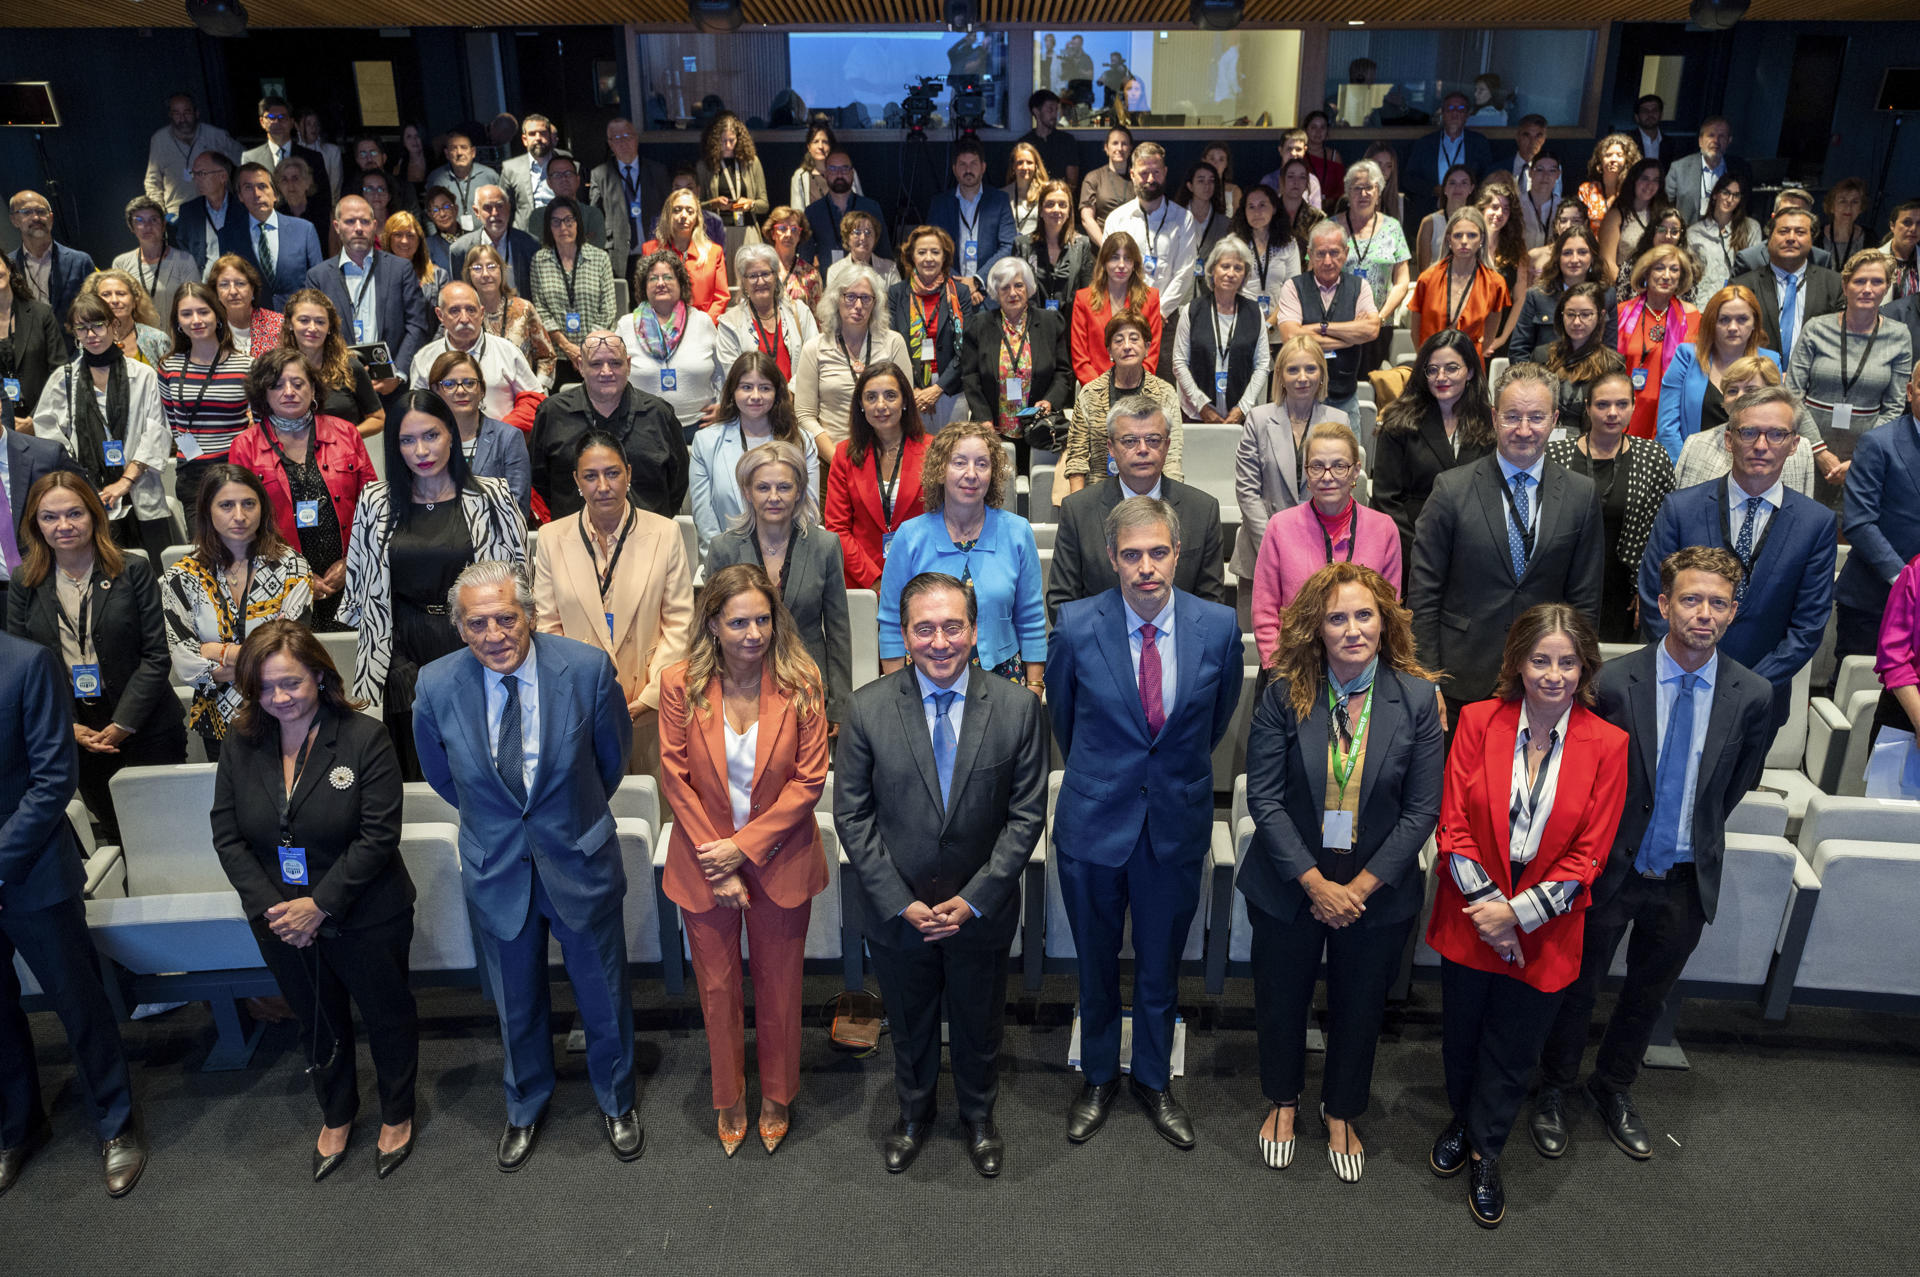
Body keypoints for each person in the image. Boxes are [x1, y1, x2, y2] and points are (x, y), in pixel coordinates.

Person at [1528, 546, 1771, 1165]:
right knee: (1578, 987)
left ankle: (1613, 1088)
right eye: (1690, 599)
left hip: (1685, 876)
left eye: (1718, 603)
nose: (1703, 613)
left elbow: (1734, 784)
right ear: (1663, 605)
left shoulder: (1752, 695)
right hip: (1610, 868)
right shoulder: (1611, 683)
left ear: (1733, 613)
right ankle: (1552, 1089)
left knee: (1646, 994)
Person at [413, 561, 642, 1170]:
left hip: (578, 855)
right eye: (478, 623)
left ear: (531, 617)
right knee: (515, 1001)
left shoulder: (586, 670)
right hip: (498, 865)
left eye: (506, 618)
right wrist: (503, 821)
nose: (494, 635)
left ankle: (617, 1099)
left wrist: (562, 816)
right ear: (460, 628)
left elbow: (611, 761)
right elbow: (444, 776)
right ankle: (524, 1105)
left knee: (603, 991)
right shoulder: (435, 687)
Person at [835, 570, 1047, 1176]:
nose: (940, 641)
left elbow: (1026, 814)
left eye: (953, 626)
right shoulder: (868, 708)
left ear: (975, 631)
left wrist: (976, 897)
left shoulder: (1015, 708)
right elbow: (852, 816)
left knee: (981, 1023)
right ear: (903, 634)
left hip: (981, 912)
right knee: (909, 1022)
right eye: (924, 628)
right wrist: (898, 900)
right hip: (899, 913)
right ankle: (913, 1113)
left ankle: (979, 1117)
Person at [1046, 494, 1240, 1151]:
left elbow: (1216, 721)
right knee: (1096, 963)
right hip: (1094, 823)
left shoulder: (1216, 626)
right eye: (1132, 555)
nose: (1146, 567)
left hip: (1174, 823)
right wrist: (1110, 778)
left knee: (1161, 965)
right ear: (1112, 559)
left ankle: (1154, 1079)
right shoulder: (1076, 625)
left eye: (1158, 552)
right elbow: (1065, 723)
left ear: (1178, 553)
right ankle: (1098, 1076)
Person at [1425, 603, 1627, 1227]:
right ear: (1516, 662)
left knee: (1514, 1050)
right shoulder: (1478, 721)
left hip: (1544, 934)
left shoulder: (1608, 744)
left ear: (1585, 668)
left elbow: (1591, 854)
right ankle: (1462, 1117)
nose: (1554, 674)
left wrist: (1517, 918)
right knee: (1461, 1039)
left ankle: (1487, 1148)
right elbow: (1453, 828)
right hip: (1471, 921)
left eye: (1568, 662)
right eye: (1541, 660)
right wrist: (1491, 914)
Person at [1241, 562, 1444, 1180]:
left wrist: (1355, 889)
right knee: (1282, 998)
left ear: (1385, 623)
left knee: (1359, 1006)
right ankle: (1282, 1099)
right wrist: (1314, 883)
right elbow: (1264, 798)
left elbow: (1422, 810)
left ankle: (1342, 1108)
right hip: (1289, 879)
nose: (1353, 629)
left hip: (1374, 890)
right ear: (1316, 628)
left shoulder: (1416, 698)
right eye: (1337, 618)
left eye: (1364, 615)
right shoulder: (1284, 689)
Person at [205, 618, 416, 1180]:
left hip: (365, 911)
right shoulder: (241, 741)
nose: (279, 698)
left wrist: (318, 905)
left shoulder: (364, 736)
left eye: (291, 684)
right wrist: (278, 910)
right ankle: (338, 1111)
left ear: (320, 677)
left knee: (386, 1013)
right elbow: (226, 834)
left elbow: (378, 836)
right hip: (280, 920)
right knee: (316, 1020)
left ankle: (397, 1111)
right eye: (266, 688)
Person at [657, 561, 827, 1156]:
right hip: (704, 862)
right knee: (719, 987)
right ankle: (729, 1097)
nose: (754, 634)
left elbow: (808, 783)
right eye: (739, 622)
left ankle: (777, 1095)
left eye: (763, 620)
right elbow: (674, 778)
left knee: (780, 987)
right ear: (712, 625)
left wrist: (743, 849)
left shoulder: (803, 682)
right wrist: (720, 861)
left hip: (781, 861)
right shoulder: (680, 683)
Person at [0, 627, 147, 1199]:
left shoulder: (27, 664)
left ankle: (116, 1124)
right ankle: (18, 1127)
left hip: (33, 869)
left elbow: (52, 781)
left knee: (77, 1004)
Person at [341, 392, 526, 774]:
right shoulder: (375, 501)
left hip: (475, 639)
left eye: (431, 435)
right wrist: (388, 658)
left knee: (483, 763)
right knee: (416, 766)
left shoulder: (493, 496)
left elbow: (520, 585)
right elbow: (361, 593)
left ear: (451, 436)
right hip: (400, 649)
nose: (421, 450)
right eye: (407, 440)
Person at [1409, 363, 1606, 715]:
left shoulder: (1581, 494)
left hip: (1547, 682)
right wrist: (1428, 679)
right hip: (1460, 680)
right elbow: (1424, 595)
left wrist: (1578, 677)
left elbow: (1585, 602)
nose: (1525, 430)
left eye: (1537, 417)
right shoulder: (1451, 490)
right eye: (1513, 417)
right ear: (1495, 417)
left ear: (1555, 419)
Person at [1638, 386, 1835, 732]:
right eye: (1749, 432)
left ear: (1794, 445)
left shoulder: (1816, 524)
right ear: (1729, 440)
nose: (1761, 445)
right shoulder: (1680, 509)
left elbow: (1808, 627)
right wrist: (1689, 672)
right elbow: (1656, 600)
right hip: (1675, 688)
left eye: (1776, 434)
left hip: (1760, 701)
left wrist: (1747, 688)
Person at [6, 472, 187, 842]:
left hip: (145, 723)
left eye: (75, 513)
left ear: (94, 515)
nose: (64, 525)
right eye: (50, 517)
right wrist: (68, 726)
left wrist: (124, 722)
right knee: (117, 833)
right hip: (75, 729)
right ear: (35, 524)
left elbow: (156, 655)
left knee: (169, 833)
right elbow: (21, 671)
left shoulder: (132, 569)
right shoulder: (24, 581)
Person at [530, 430, 693, 778]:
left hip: (651, 703)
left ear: (629, 474)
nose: (602, 485)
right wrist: (582, 692)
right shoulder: (550, 538)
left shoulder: (665, 533)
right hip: (581, 707)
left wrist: (651, 696)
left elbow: (680, 624)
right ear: (576, 480)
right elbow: (547, 626)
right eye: (590, 476)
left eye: (612, 473)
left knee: (655, 809)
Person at [877, 422, 1045, 691]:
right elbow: (890, 621)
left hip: (1002, 678)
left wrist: (1035, 685)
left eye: (982, 464)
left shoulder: (1017, 532)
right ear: (940, 471)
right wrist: (897, 691)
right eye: (959, 463)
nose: (971, 474)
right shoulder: (910, 536)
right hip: (926, 677)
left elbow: (1031, 617)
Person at [706, 441, 850, 725]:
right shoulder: (723, 549)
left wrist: (839, 705)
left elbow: (838, 632)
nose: (774, 497)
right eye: (763, 488)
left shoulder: (825, 546)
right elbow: (709, 630)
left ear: (799, 491)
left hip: (807, 687)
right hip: (739, 689)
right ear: (747, 492)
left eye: (784, 487)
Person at [227, 348, 371, 631]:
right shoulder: (244, 446)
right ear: (263, 393)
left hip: (350, 577)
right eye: (277, 385)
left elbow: (373, 508)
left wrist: (351, 562)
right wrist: (297, 575)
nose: (289, 391)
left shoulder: (346, 433)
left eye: (298, 383)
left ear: (314, 388)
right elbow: (240, 526)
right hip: (278, 582)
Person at [1049, 396, 1224, 623]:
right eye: (1130, 441)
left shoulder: (1202, 510)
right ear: (1111, 447)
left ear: (1167, 445)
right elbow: (1062, 602)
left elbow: (1211, 603)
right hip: (1101, 648)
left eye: (1153, 440)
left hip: (1180, 647)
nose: (1142, 450)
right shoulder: (1078, 511)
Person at [31, 294, 176, 564]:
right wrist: (81, 480)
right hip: (88, 495)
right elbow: (49, 436)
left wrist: (124, 482)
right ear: (74, 333)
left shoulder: (143, 375)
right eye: (82, 328)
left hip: (138, 490)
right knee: (102, 578)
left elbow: (157, 430)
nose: (91, 334)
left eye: (98, 325)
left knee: (155, 575)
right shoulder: (63, 379)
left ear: (114, 326)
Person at [1251, 420, 1401, 665]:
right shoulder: (1280, 527)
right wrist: (1281, 673)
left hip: (1362, 670)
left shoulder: (1384, 529)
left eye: (1339, 466)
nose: (1327, 476)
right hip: (1293, 667)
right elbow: (1265, 615)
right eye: (1317, 466)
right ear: (1306, 471)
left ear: (1355, 471)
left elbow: (1389, 613)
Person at [1544, 369, 1674, 641]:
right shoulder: (1555, 454)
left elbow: (1665, 532)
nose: (1612, 413)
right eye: (1602, 404)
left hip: (1624, 587)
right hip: (1562, 583)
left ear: (1634, 406)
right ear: (1588, 408)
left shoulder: (1653, 457)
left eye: (1622, 404)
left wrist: (1651, 588)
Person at [1230, 334, 1350, 619]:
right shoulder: (1258, 420)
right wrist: (1276, 547)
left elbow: (1341, 490)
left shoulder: (1338, 421)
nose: (1302, 377)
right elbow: (1247, 492)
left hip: (1321, 558)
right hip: (1259, 556)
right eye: (1293, 369)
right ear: (1280, 376)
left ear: (1322, 374)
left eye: (1311, 368)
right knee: (1259, 652)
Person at [1786, 248, 1914, 510]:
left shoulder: (1899, 335)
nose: (1867, 289)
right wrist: (1819, 452)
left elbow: (1894, 407)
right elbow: (1792, 394)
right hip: (1805, 447)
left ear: (1886, 287)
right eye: (1859, 281)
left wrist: (1861, 458)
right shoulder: (1817, 328)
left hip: (1866, 456)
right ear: (1845, 286)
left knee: (1852, 531)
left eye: (1876, 282)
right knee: (1801, 521)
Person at [529, 330, 688, 521]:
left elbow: (678, 483)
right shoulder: (552, 414)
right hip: (575, 541)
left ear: (628, 365)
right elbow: (540, 480)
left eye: (615, 363)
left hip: (648, 540)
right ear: (580, 365)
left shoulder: (659, 414)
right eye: (596, 364)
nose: (606, 372)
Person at [1372, 329, 1498, 566]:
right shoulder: (1398, 421)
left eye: (1452, 368)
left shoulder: (1490, 423)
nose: (1441, 377)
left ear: (1470, 371)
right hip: (1413, 548)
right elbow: (1385, 498)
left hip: (1475, 550)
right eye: (1432, 369)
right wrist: (1418, 549)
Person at [304, 196, 432, 406]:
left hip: (392, 386)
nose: (358, 228)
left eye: (364, 222)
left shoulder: (400, 270)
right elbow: (313, 332)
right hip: (338, 386)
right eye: (350, 221)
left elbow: (416, 325)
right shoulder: (318, 276)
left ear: (375, 226)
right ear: (337, 227)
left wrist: (397, 373)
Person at [690, 352, 819, 559]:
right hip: (729, 562)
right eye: (746, 387)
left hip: (791, 559)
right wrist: (721, 562)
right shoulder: (706, 442)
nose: (756, 396)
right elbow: (705, 519)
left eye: (765, 388)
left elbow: (809, 512)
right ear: (732, 391)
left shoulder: (802, 441)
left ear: (777, 392)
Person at [1837, 366, 1920, 657]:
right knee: (1858, 694)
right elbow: (1860, 523)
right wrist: (1908, 583)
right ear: (1910, 392)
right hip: (1875, 600)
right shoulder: (1879, 443)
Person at [1058, 311, 1184, 501]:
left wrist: (1169, 505)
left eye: (1134, 339)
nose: (1127, 346)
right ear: (1109, 351)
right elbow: (1077, 458)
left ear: (1147, 347)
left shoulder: (1164, 393)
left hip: (1151, 495)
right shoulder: (1090, 394)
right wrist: (1080, 510)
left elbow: (1172, 457)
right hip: (1099, 494)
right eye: (1118, 341)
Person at [824, 363, 930, 590]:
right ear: (861, 405)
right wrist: (875, 581)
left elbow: (943, 521)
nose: (881, 405)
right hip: (863, 581)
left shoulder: (933, 450)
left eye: (890, 396)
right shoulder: (844, 455)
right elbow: (837, 529)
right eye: (871, 397)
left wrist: (918, 579)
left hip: (923, 576)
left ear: (905, 402)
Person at [960, 257, 1072, 463]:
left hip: (1039, 425)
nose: (1012, 293)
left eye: (1018, 285)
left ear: (1028, 287)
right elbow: (971, 376)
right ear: (995, 292)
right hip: (992, 428)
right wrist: (984, 418)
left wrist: (1050, 401)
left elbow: (1063, 373)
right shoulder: (978, 325)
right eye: (1005, 287)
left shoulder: (1050, 322)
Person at [792, 263, 910, 459]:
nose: (858, 306)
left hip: (886, 459)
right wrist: (838, 461)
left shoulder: (894, 343)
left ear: (875, 303)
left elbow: (905, 404)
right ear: (836, 299)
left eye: (866, 298)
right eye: (850, 297)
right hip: (832, 460)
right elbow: (805, 415)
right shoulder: (814, 349)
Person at [159, 282, 254, 515]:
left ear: (218, 315)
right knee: (201, 548)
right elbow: (175, 424)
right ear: (177, 322)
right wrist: (193, 456)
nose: (196, 320)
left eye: (203, 312)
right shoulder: (168, 367)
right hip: (192, 472)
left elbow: (260, 425)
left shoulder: (246, 366)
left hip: (237, 468)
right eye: (186, 314)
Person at [1655, 284, 1779, 462]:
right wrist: (1684, 468)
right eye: (1724, 320)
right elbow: (1667, 427)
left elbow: (1774, 421)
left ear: (1755, 323)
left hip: (1749, 465)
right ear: (1712, 323)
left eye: (1742, 319)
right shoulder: (1687, 356)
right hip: (1688, 461)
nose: (1733, 327)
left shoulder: (1771, 361)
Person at [1275, 221, 1380, 417]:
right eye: (1321, 253)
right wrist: (1351, 336)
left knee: (1349, 448)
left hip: (1345, 397)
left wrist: (1318, 328)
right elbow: (1290, 336)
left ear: (1346, 253)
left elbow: (1372, 330)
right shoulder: (1293, 286)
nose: (1328, 261)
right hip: (1302, 399)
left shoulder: (1360, 286)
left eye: (1334, 253)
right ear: (1310, 254)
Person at [1672, 354, 1818, 495]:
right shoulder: (1696, 444)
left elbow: (1802, 510)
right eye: (1732, 390)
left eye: (1751, 390)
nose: (1740, 397)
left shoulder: (1801, 449)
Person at [406, 281, 543, 424]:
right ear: (440, 315)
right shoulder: (424, 359)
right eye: (455, 311)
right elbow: (417, 410)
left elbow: (534, 400)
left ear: (482, 313)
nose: (464, 319)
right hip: (446, 443)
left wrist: (504, 432)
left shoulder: (507, 351)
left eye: (471, 310)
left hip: (501, 443)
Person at [1170, 236, 1269, 426]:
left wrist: (1242, 408)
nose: (1230, 273)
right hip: (1196, 414)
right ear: (1212, 269)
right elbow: (1179, 363)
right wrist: (1202, 406)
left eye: (1238, 268)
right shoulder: (1191, 310)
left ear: (1245, 275)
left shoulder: (1254, 312)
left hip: (1241, 416)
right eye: (1225, 266)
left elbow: (1263, 364)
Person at [426, 350, 534, 518]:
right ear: (435, 390)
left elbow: (517, 507)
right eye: (449, 384)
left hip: (494, 539)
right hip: (436, 536)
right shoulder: (425, 440)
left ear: (482, 389)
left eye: (469, 383)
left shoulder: (508, 438)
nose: (461, 390)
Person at [1730, 207, 1845, 363]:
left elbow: (1840, 341)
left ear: (1812, 238)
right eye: (1783, 231)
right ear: (1769, 237)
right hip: (1757, 378)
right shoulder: (1743, 286)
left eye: (1800, 232)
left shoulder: (1835, 284)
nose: (1791, 238)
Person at [889, 226, 975, 432]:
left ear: (944, 257)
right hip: (911, 393)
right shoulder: (897, 293)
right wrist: (913, 390)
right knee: (918, 458)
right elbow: (891, 345)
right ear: (911, 257)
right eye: (922, 252)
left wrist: (937, 389)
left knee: (953, 456)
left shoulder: (960, 293)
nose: (929, 258)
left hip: (951, 391)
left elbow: (967, 347)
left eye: (935, 252)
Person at [1617, 244, 1700, 442]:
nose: (1666, 275)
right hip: (1626, 409)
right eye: (1659, 268)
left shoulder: (1693, 317)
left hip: (1671, 415)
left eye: (1674, 269)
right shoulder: (1621, 313)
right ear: (1646, 272)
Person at [278, 288, 386, 439]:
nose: (312, 328)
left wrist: (344, 436)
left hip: (343, 456)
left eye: (320, 322)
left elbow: (378, 419)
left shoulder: (350, 367)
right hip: (293, 457)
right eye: (304, 320)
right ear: (290, 324)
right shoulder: (276, 370)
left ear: (329, 328)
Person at [1103, 144, 1195, 317]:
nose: (1151, 179)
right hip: (1122, 313)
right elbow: (1108, 268)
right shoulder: (1117, 219)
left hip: (1167, 317)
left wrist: (1159, 312)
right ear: (1132, 174)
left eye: (1157, 172)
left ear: (1165, 172)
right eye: (1144, 173)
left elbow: (1185, 272)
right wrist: (1126, 310)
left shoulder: (1183, 218)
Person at [1337, 161, 1413, 372]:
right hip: (1339, 325)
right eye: (1357, 188)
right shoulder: (1331, 227)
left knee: (1373, 383)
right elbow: (1314, 274)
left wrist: (1379, 317)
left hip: (1379, 324)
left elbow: (1402, 281)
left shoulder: (1392, 227)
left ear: (1378, 192)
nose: (1364, 193)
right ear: (1347, 192)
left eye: (1369, 187)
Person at [1410, 207, 1510, 360]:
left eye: (1472, 235)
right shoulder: (1428, 279)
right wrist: (1428, 361)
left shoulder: (1495, 283)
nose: (1464, 241)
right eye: (1458, 235)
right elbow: (1415, 331)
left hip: (1471, 365)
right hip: (1430, 363)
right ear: (1449, 239)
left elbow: (1490, 334)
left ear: (1482, 239)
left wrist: (1470, 360)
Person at [1509, 225, 1616, 365]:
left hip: (1591, 379)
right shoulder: (1537, 296)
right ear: (1557, 258)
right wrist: (1533, 383)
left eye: (1582, 252)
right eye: (1567, 253)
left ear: (1593, 257)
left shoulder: (1607, 295)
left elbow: (1610, 351)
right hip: (1544, 378)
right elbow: (1519, 350)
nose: (1574, 259)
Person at [928, 139, 1018, 303]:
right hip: (949, 293)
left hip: (990, 293)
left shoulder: (999, 200)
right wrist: (962, 286)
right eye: (962, 164)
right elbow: (932, 248)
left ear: (983, 167)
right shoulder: (939, 203)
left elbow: (1009, 244)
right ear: (954, 169)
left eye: (973, 164)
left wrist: (977, 280)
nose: (968, 170)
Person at [718, 243, 819, 383]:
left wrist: (791, 393)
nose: (760, 281)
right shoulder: (729, 323)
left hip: (796, 400)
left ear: (776, 275)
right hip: (753, 402)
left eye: (766, 274)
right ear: (743, 282)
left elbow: (814, 360)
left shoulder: (800, 312)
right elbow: (732, 375)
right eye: (753, 276)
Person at [1071, 230, 1163, 384]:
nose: (1121, 265)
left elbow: (1151, 353)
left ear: (1134, 264)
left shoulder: (1151, 298)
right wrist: (1103, 391)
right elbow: (1080, 358)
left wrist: (1132, 386)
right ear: (1104, 262)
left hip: (1137, 389)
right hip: (1095, 389)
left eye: (1127, 259)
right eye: (1114, 258)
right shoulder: (1084, 299)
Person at [463, 244, 557, 391]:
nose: (485, 274)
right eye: (477, 268)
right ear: (468, 274)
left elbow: (547, 357)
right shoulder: (464, 316)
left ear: (501, 270)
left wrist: (537, 390)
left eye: (491, 266)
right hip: (479, 398)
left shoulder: (524, 309)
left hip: (523, 396)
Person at [232, 162, 324, 312]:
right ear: (240, 196)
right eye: (248, 188)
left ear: (275, 194)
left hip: (297, 322)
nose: (256, 194)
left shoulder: (304, 229)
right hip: (252, 324)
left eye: (262, 186)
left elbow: (318, 283)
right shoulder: (229, 235)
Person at [1538, 283, 1628, 425]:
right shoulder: (1542, 356)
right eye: (1570, 314)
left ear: (1600, 315)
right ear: (1562, 315)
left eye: (1586, 315)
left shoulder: (1613, 364)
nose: (1577, 322)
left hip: (1591, 441)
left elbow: (1612, 418)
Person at [594, 118, 670, 284]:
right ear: (610, 143)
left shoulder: (657, 171)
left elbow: (668, 211)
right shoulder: (599, 175)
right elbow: (597, 217)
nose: (623, 143)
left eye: (627, 136)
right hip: (619, 253)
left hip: (654, 248)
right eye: (617, 138)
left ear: (636, 138)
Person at [642, 188, 732, 324]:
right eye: (677, 210)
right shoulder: (650, 250)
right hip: (662, 327)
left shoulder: (714, 252)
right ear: (667, 215)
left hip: (704, 328)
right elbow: (645, 295)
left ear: (697, 218)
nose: (683, 215)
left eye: (690, 211)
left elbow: (721, 298)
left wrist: (702, 325)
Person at [146, 91, 242, 215]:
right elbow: (152, 180)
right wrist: (160, 213)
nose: (182, 118)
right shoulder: (159, 140)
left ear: (196, 113)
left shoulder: (216, 136)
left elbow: (245, 161)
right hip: (178, 213)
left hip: (218, 209)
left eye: (187, 112)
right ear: (170, 115)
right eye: (176, 113)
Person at [7, 192, 95, 323]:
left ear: (51, 218)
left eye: (41, 211)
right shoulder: (7, 266)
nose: (36, 217)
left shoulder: (80, 261)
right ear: (14, 220)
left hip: (72, 341)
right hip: (28, 342)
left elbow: (95, 309)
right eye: (26, 212)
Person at [1405, 93, 1494, 221]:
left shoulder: (1479, 143)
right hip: (1430, 211)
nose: (1455, 113)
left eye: (1461, 109)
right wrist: (1433, 189)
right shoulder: (1424, 143)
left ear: (1467, 115)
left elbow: (1487, 176)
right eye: (1451, 108)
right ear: (1443, 113)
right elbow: (1409, 178)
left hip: (1469, 211)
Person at [802, 150, 893, 271]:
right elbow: (805, 259)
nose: (839, 174)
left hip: (866, 283)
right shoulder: (813, 212)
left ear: (852, 173)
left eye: (844, 169)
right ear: (826, 174)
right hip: (828, 285)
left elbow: (884, 253)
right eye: (833, 169)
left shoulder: (871, 208)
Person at [0, 257, 66, 422]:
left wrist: (35, 419)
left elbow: (59, 372)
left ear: (8, 269)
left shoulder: (41, 314)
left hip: (44, 419)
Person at [114, 196, 198, 323]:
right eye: (139, 220)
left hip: (179, 337)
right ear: (131, 227)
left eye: (153, 220)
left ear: (163, 225)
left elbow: (196, 304)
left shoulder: (184, 261)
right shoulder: (121, 264)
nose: (147, 226)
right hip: (139, 338)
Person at [1476, 179, 1535, 354]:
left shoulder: (1516, 249)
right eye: (1494, 207)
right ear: (1482, 209)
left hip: (1502, 332)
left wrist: (1500, 340)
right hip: (1470, 331)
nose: (1499, 213)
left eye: (1506, 209)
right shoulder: (1468, 243)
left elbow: (1519, 299)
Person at [1020, 179, 1095, 316]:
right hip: (1032, 326)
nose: (1056, 209)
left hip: (1070, 326)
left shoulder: (1082, 245)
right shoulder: (1022, 245)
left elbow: (1087, 294)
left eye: (1062, 205)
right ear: (1041, 211)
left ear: (1069, 211)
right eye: (1050, 204)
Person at [1686, 175, 1760, 308]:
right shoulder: (1694, 232)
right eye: (1726, 193)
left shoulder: (1751, 228)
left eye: (1736, 195)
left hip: (1737, 303)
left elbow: (1756, 270)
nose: (1730, 199)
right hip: (1703, 304)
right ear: (1715, 195)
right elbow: (1688, 275)